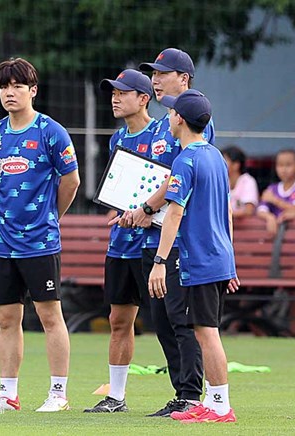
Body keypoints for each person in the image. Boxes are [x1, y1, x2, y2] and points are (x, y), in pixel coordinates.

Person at [0, 58, 80, 413]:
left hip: (40, 242)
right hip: (1, 243)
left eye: (18, 86)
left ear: (32, 90)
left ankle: (58, 394)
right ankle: (7, 395)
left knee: (49, 316)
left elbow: (72, 181)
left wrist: (50, 216)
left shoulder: (51, 132)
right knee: (6, 319)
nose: (10, 92)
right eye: (4, 86)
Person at [119, 48, 215, 417]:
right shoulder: (162, 123)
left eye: (162, 73)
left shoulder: (195, 119)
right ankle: (182, 393)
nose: (155, 80)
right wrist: (129, 207)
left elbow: (178, 180)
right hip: (153, 236)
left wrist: (145, 208)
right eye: (153, 74)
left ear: (184, 79)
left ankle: (193, 395)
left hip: (178, 238)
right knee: (161, 320)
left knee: (182, 320)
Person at [149, 89, 239, 423]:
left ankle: (219, 406)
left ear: (180, 119)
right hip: (218, 257)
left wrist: (159, 262)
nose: (169, 117)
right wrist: (230, 261)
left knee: (206, 332)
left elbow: (173, 213)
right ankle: (213, 402)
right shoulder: (216, 156)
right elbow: (225, 211)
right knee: (206, 330)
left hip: (200, 260)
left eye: (172, 112)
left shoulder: (185, 160)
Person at [83, 69, 156, 413]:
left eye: (122, 93)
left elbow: (171, 185)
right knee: (118, 320)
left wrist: (146, 211)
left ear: (143, 99)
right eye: (113, 93)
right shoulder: (117, 139)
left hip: (155, 246)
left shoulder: (163, 134)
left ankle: (188, 395)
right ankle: (116, 397)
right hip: (121, 244)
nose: (115, 98)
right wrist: (120, 210)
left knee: (172, 324)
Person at [257, 149, 295, 236]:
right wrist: (269, 217)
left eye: (288, 165)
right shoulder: (272, 188)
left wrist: (274, 200)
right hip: (277, 237)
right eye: (280, 165)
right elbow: (261, 210)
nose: (284, 169)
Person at [221, 145, 259, 218]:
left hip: (244, 225)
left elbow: (249, 211)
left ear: (236, 165)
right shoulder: (221, 181)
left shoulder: (248, 181)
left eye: (224, 161)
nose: (220, 164)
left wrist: (225, 215)